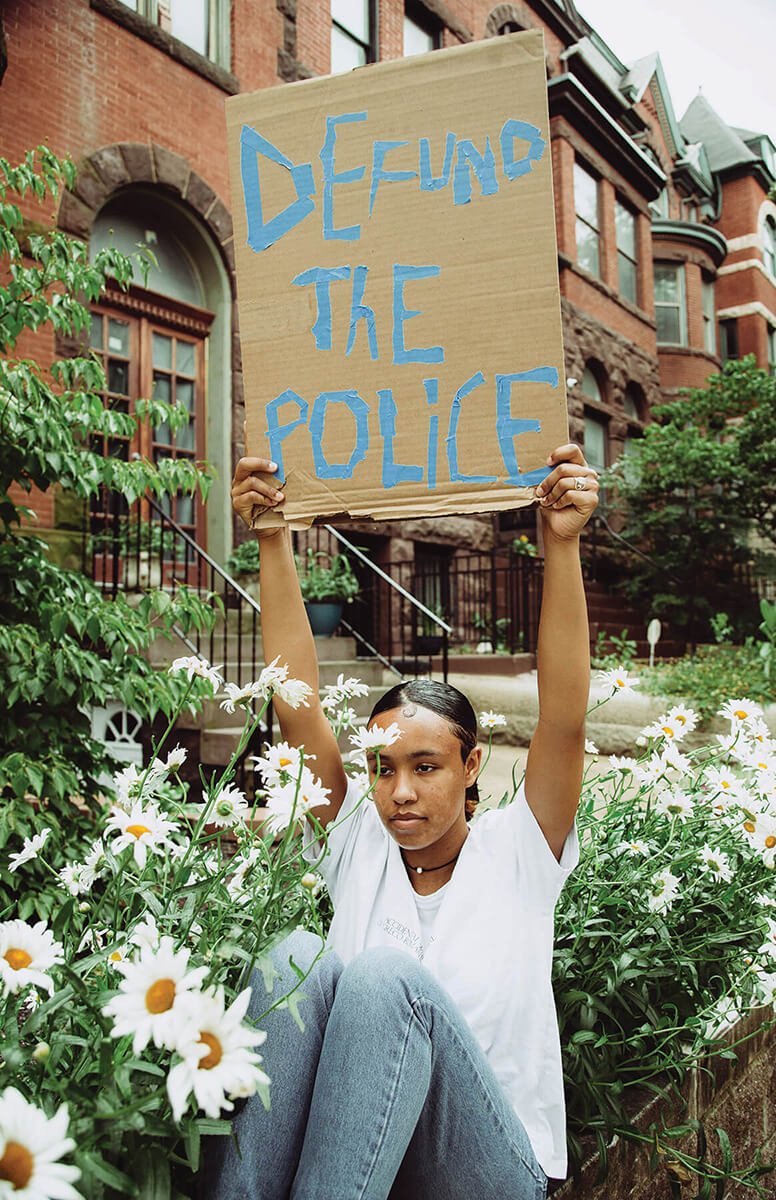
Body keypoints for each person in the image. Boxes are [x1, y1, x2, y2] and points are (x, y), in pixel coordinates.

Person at [203, 443, 599, 1200]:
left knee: (385, 980)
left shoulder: (522, 853)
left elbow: (566, 719)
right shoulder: (356, 841)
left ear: (473, 766)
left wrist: (561, 543)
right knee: (293, 957)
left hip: (492, 1168)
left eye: (425, 767)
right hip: (361, 1155)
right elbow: (297, 709)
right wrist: (273, 540)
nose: (399, 793)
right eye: (383, 769)